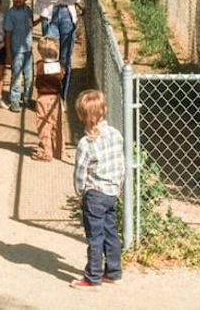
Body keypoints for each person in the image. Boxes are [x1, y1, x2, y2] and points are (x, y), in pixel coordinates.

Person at [71, 90, 124, 290]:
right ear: (105, 110)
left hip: (94, 194)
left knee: (95, 236)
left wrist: (80, 193)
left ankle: (93, 277)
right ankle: (113, 271)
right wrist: (119, 185)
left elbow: (80, 173)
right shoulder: (115, 135)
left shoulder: (86, 144)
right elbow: (121, 164)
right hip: (111, 192)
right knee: (111, 232)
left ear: (80, 116)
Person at [35, 0, 83, 100]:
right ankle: (51, 95)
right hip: (49, 14)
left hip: (67, 15)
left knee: (65, 59)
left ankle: (62, 97)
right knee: (50, 57)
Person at [3, 0, 35, 112]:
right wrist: (8, 52)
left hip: (28, 50)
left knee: (29, 76)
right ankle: (15, 100)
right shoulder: (10, 14)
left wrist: (42, 19)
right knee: (16, 76)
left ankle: (27, 98)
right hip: (17, 51)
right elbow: (8, 34)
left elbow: (31, 25)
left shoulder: (28, 10)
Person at [33, 37, 65, 162]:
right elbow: (62, 75)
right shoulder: (60, 66)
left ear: (41, 52)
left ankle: (46, 151)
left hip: (43, 97)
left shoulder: (40, 65)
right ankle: (59, 150)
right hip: (56, 97)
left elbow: (39, 78)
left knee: (43, 123)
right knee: (57, 123)